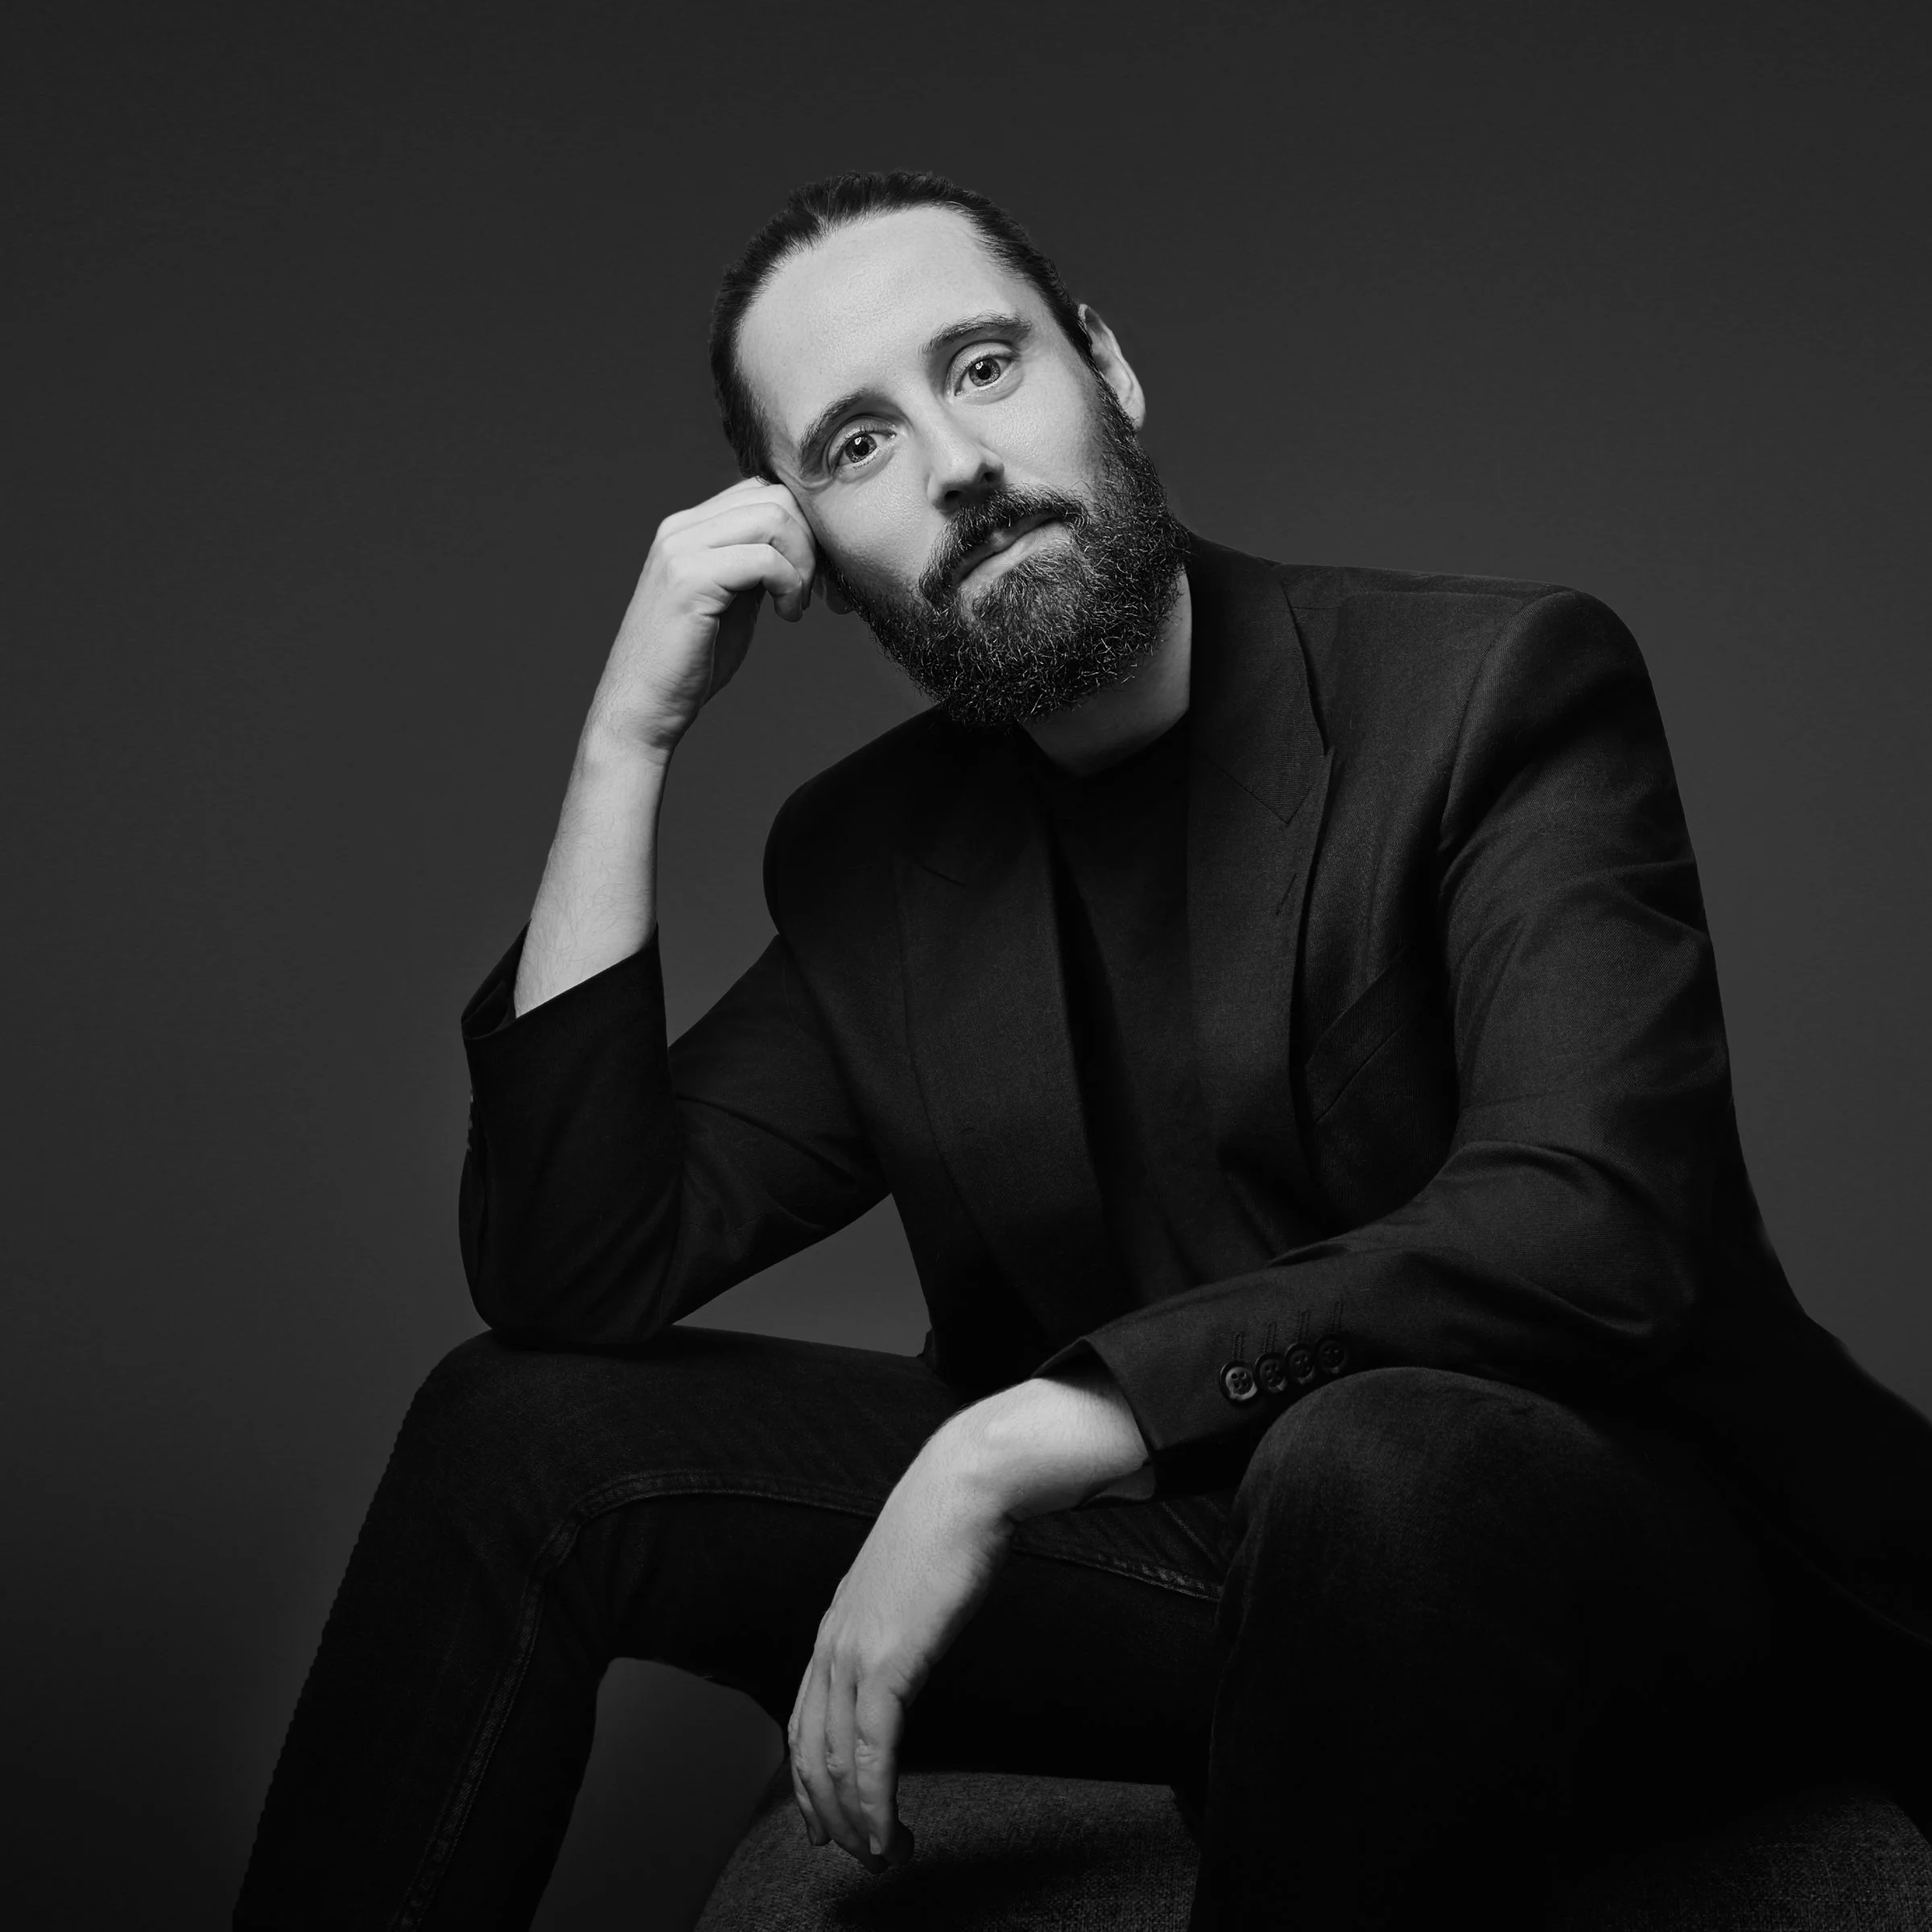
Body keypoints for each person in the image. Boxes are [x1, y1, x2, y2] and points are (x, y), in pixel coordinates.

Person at [234, 171, 1932, 1931]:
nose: (958, 465)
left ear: (1105, 367)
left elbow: (1595, 1220)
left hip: (1623, 1568)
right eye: (860, 446)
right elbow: (573, 1270)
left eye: (983, 367)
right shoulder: (875, 860)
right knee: (512, 1430)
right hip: (1214, 1566)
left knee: (1373, 1465)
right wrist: (627, 739)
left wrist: (1017, 1441)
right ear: (814, 557)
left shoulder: (1489, 687)